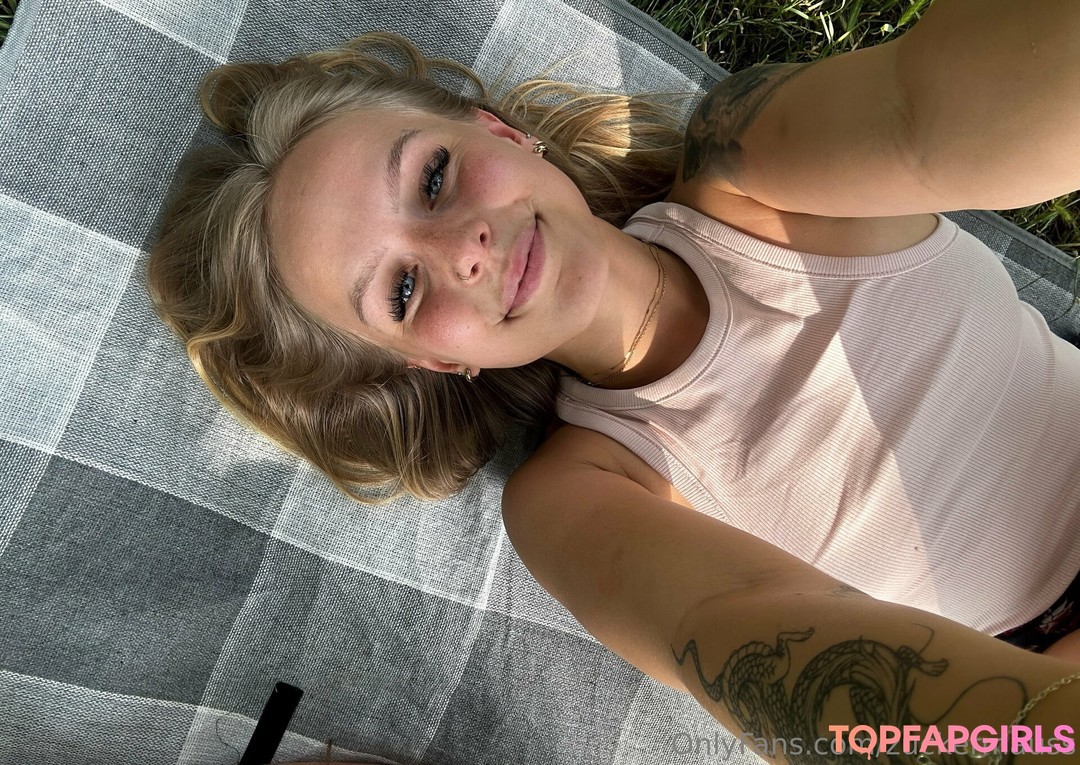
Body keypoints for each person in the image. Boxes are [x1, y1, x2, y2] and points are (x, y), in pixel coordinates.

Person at [148, 0, 1080, 760]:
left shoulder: (750, 160)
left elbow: (943, 108)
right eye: (400, 289)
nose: (461, 249)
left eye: (432, 179)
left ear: (502, 132)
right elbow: (756, 642)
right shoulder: (581, 491)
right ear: (432, 361)